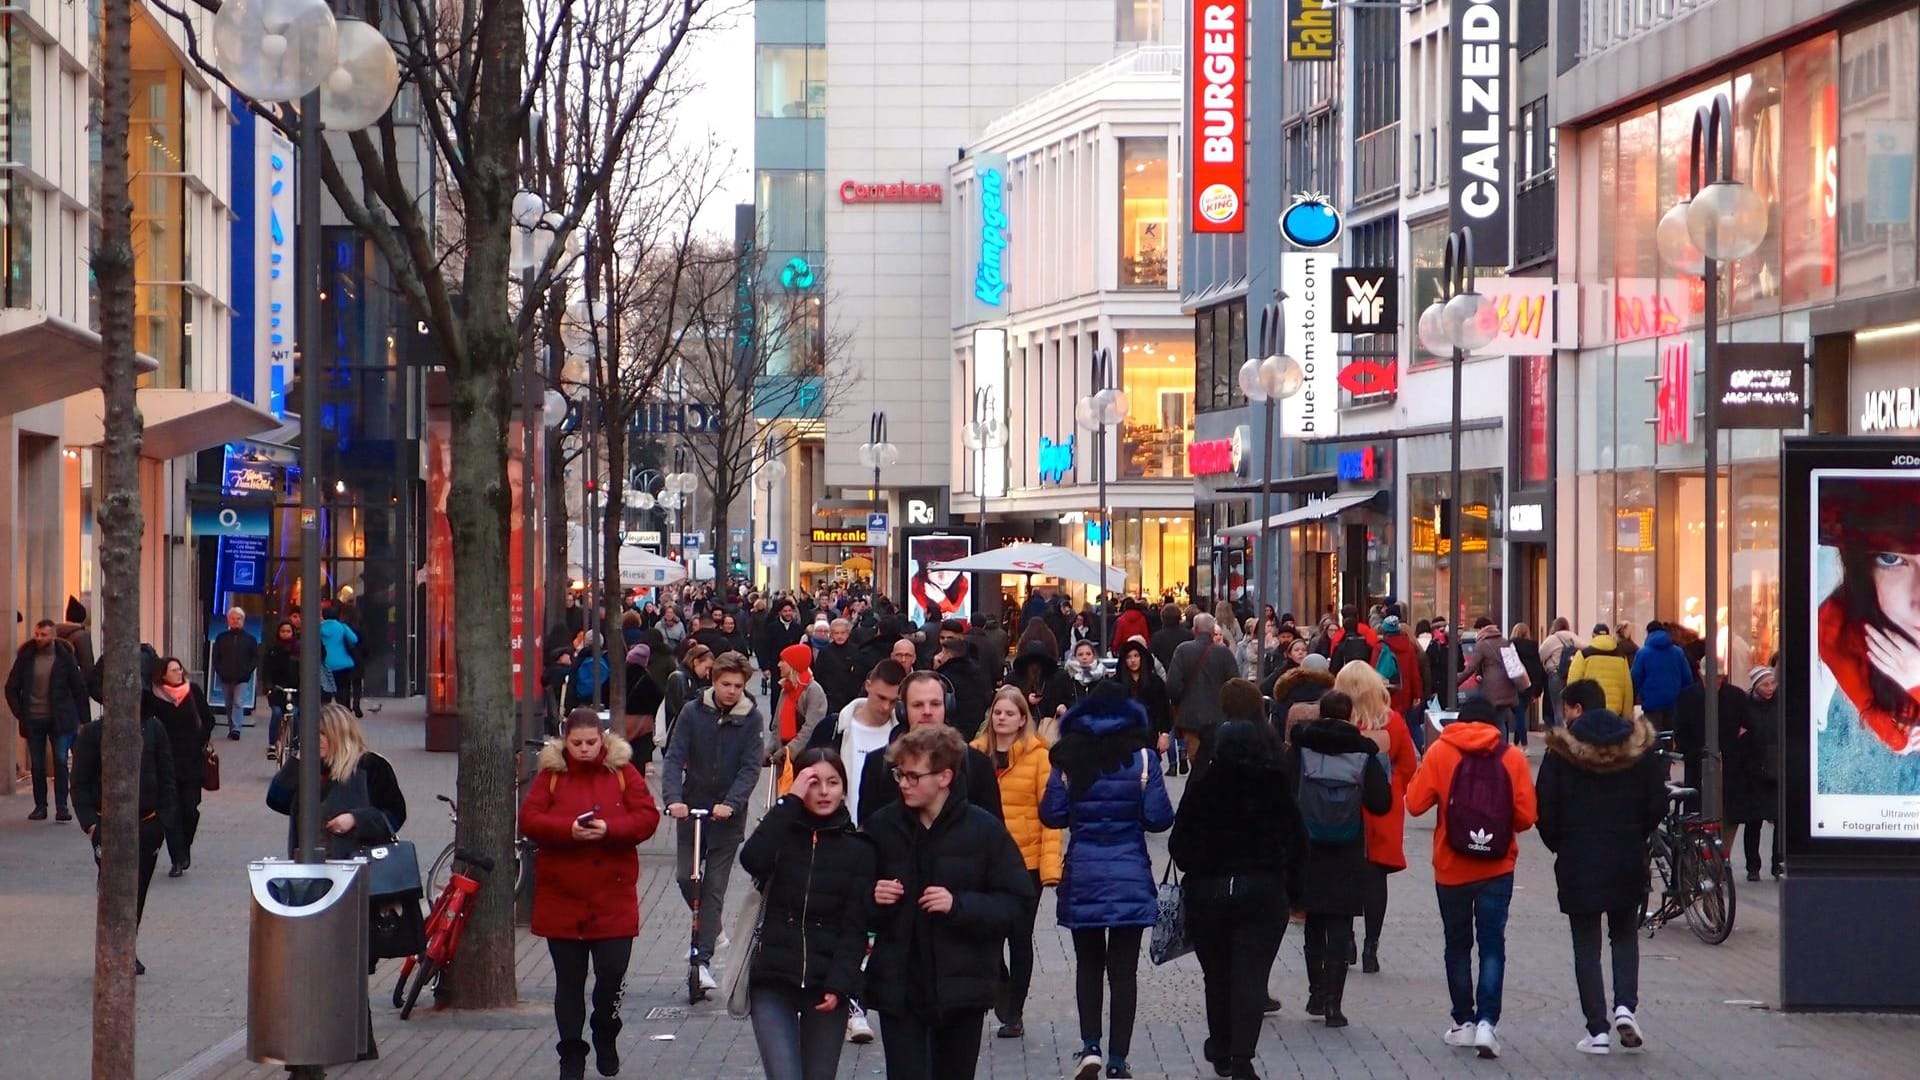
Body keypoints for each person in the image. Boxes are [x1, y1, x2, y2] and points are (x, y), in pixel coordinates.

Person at [864, 725, 1034, 1080]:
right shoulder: (882, 827)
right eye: (900, 774)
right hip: (900, 987)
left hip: (963, 989)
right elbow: (847, 902)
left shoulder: (983, 830)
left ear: (945, 777)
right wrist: (872, 895)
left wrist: (959, 905)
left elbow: (1016, 903)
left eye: (913, 775)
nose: (903, 783)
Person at [1040, 684, 1175, 1080]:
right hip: (1130, 871)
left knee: (1087, 965)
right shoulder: (1143, 759)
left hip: (1083, 871)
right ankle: (1118, 1059)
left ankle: (1090, 1046)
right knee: (1123, 972)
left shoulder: (1067, 759)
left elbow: (1052, 814)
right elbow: (1159, 819)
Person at [520, 709, 662, 1079]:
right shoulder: (551, 775)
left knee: (611, 975)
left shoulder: (621, 772)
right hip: (562, 897)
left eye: (591, 742)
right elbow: (530, 820)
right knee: (569, 982)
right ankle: (571, 1053)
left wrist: (610, 830)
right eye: (577, 743)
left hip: (612, 897)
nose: (584, 749)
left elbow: (647, 816)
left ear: (603, 740)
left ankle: (605, 1030)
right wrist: (568, 829)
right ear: (565, 742)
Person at [265, 703, 406, 1062]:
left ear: (338, 733)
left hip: (353, 876)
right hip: (309, 874)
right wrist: (298, 761)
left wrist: (355, 820)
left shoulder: (370, 768)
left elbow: (394, 814)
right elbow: (276, 800)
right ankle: (331, 1038)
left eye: (320, 735)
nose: (315, 742)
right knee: (312, 957)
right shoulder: (308, 769)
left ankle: (357, 1041)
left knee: (349, 959)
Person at [1169, 719, 1305, 1080]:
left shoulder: (1203, 787)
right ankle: (1243, 1056)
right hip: (1262, 891)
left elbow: (1179, 846)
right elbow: (1297, 842)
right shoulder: (1275, 786)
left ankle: (1221, 1046)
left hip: (1209, 893)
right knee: (1250, 975)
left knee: (1217, 974)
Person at [1537, 679, 1665, 1055]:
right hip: (1626, 854)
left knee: (1586, 944)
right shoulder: (1637, 748)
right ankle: (1626, 1005)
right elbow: (1656, 802)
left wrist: (1559, 842)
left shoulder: (1562, 752)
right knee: (1624, 934)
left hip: (1578, 856)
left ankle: (1597, 1031)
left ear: (1576, 707)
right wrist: (1636, 833)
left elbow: (1545, 805)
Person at [1406, 697, 1538, 1060]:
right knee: (1492, 944)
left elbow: (1414, 804)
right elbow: (1526, 817)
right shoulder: (1510, 757)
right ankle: (1487, 1023)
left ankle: (1463, 1021)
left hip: (1452, 866)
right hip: (1497, 867)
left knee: (1457, 944)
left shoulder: (1441, 752)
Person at [740, 748, 877, 1080]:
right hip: (773, 977)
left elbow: (856, 926)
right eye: (813, 782)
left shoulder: (859, 848)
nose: (825, 791)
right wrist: (788, 802)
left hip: (826, 981)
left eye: (833, 782)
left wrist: (841, 983)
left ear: (845, 788)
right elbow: (752, 859)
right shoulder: (782, 833)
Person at [1282, 691, 1390, 1029]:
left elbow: (1283, 792)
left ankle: (1315, 993)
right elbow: (1380, 803)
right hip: (1346, 846)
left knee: (1312, 921)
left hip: (1308, 844)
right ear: (1350, 716)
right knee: (1340, 923)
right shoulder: (1362, 752)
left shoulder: (1301, 749)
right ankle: (1334, 1004)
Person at [661, 650, 766, 994]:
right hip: (692, 810)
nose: (732, 691)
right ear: (713, 681)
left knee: (715, 887)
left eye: (737, 685)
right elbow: (675, 757)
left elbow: (751, 767)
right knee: (684, 876)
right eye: (726, 684)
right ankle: (712, 928)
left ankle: (701, 960)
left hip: (726, 817)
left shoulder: (750, 718)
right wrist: (674, 799)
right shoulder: (693, 713)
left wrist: (732, 804)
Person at [970, 688, 1061, 1039]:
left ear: (1023, 718)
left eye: (1010, 713)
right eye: (998, 712)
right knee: (987, 935)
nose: (1002, 718)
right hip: (983, 860)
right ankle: (1000, 986)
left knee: (1020, 937)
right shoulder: (974, 754)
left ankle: (1015, 1012)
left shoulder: (1040, 757)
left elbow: (1050, 816)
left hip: (1026, 863)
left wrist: (1051, 868)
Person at [71, 707, 176, 974]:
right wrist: (91, 825)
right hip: (107, 824)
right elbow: (80, 781)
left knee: (138, 889)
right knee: (113, 886)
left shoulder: (154, 729)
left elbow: (167, 776)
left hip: (148, 823)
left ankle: (128, 947)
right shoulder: (94, 733)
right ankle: (111, 949)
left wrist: (162, 821)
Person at [1334, 661, 1417, 976]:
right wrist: (1393, 789)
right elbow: (1407, 765)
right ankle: (1372, 945)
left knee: (1345, 875)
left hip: (1344, 805)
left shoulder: (1340, 721)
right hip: (1382, 809)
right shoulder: (1392, 722)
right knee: (1375, 879)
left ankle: (1349, 941)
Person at [855, 671, 1002, 827]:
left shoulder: (977, 764)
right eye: (918, 705)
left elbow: (994, 839)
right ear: (902, 711)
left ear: (947, 706)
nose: (927, 712)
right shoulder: (878, 764)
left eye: (935, 704)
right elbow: (867, 836)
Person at [6, 618, 92, 821]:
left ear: (53, 636)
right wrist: (20, 712)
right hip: (33, 718)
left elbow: (79, 689)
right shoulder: (26, 657)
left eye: (43, 635)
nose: (39, 638)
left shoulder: (65, 658)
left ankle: (62, 806)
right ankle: (40, 806)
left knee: (61, 762)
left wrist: (84, 721)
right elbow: (11, 687)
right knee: (38, 764)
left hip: (61, 718)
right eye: (36, 634)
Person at [146, 657, 215, 877]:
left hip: (192, 760)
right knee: (170, 812)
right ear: (163, 675)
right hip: (165, 763)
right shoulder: (153, 696)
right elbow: (146, 724)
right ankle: (178, 858)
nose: (178, 673)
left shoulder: (192, 691)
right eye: (173, 670)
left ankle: (185, 847)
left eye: (179, 669)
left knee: (190, 810)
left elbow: (208, 719)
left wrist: (200, 738)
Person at [1728, 667, 1783, 880]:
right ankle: (1753, 866)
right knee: (1753, 821)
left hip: (1776, 767)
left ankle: (1778, 863)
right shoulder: (1746, 706)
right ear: (1756, 686)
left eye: (1772, 683)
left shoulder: (1781, 704)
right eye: (1765, 685)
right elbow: (1740, 734)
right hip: (1753, 768)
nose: (1770, 688)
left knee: (1779, 819)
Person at [1167, 613, 1239, 773]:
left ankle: (1200, 790)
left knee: (1198, 763)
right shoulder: (1224, 654)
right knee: (1217, 760)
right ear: (1213, 632)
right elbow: (1235, 684)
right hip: (1219, 717)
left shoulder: (1183, 650)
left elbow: (1172, 686)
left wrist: (1181, 700)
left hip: (1190, 717)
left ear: (1195, 630)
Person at [1457, 617, 1522, 742]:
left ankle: (1493, 746)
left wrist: (1456, 681)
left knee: (1491, 720)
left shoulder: (1482, 645)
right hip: (1508, 688)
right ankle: (1503, 748)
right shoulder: (1504, 641)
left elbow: (1470, 668)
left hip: (1491, 691)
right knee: (1501, 720)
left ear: (1482, 629)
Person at [931, 621, 991, 741]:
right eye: (942, 638)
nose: (944, 641)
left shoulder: (951, 673)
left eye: (950, 638)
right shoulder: (936, 658)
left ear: (960, 638)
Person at [1112, 639, 1171, 760]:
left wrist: (1164, 734)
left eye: (1136, 656)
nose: (1133, 660)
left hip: (1149, 735)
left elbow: (1164, 710)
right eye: (1129, 657)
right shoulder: (1115, 683)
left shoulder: (1155, 682)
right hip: (1123, 737)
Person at [1630, 620, 1694, 729]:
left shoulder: (1643, 653)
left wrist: (1642, 694)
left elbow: (1635, 677)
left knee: (1654, 737)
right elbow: (1687, 678)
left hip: (1651, 703)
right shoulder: (1678, 652)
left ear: (1648, 633)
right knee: (1671, 735)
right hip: (1674, 702)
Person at [210, 607, 261, 741]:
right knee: (228, 703)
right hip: (226, 676)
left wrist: (247, 671)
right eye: (233, 618)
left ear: (243, 621)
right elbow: (216, 657)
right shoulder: (221, 638)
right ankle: (231, 727)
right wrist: (220, 670)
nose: (235, 621)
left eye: (238, 619)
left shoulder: (250, 639)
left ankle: (237, 729)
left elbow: (255, 657)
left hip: (242, 678)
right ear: (228, 620)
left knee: (238, 702)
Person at [1568, 624, 1635, 717]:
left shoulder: (1584, 654)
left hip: (1589, 713)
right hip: (1614, 714)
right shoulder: (1621, 656)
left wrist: (1573, 712)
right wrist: (1627, 716)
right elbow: (1628, 688)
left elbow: (1573, 684)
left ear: (1593, 636)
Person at [261, 620, 300, 761]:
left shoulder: (299, 649)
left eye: (288, 631)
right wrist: (268, 686)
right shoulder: (273, 650)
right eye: (283, 631)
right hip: (278, 690)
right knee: (277, 713)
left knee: (295, 714)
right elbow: (267, 670)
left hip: (296, 690)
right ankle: (272, 745)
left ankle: (296, 744)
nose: (285, 634)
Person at [814, 620, 867, 717]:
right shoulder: (825, 652)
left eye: (842, 633)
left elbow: (861, 675)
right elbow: (818, 675)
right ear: (831, 634)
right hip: (831, 700)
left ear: (848, 633)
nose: (839, 636)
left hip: (851, 699)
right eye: (836, 633)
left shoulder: (856, 651)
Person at [1376, 615, 1425, 719]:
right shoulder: (1409, 647)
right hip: (1404, 694)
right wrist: (1417, 694)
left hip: (1384, 693)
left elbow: (1372, 670)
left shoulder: (1379, 648)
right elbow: (1414, 674)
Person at [664, 643, 713, 744]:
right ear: (696, 662)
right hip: (677, 735)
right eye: (706, 668)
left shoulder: (692, 679)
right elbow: (679, 708)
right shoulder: (679, 678)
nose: (707, 673)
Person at [1508, 623, 1548, 748]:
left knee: (1518, 713)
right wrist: (1537, 689)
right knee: (1521, 712)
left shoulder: (1510, 646)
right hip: (1528, 684)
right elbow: (1537, 668)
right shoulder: (1533, 648)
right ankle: (1516, 743)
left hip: (1514, 682)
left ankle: (1524, 743)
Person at [1538, 619, 1582, 730]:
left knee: (1558, 709)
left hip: (1556, 675)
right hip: (1571, 675)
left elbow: (1540, 654)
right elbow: (1585, 649)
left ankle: (1561, 737)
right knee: (1570, 707)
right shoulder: (1574, 637)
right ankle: (1571, 733)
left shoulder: (1553, 639)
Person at [317, 601, 360, 705]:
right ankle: (343, 710)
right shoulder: (341, 626)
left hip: (325, 664)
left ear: (323, 616)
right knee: (343, 689)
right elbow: (354, 639)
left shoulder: (318, 628)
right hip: (343, 663)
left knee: (325, 689)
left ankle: (326, 712)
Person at [1148, 605, 1190, 670]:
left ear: (1162, 618)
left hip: (1163, 672)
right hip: (1184, 672)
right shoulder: (1189, 635)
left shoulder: (1157, 637)